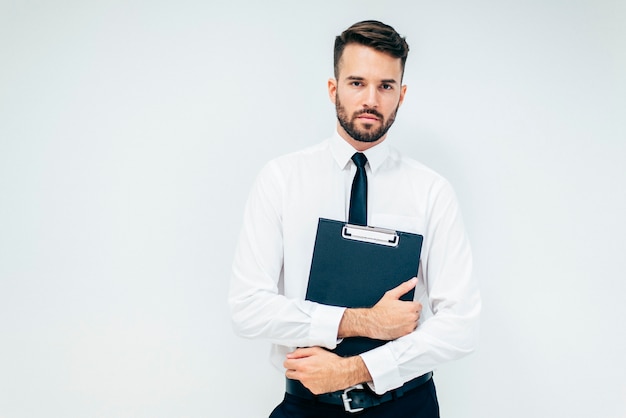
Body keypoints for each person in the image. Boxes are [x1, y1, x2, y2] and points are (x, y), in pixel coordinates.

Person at [229, 20, 481, 417]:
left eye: (385, 86)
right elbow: (247, 309)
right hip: (307, 406)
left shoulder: (431, 190)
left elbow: (461, 324)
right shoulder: (281, 179)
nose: (371, 99)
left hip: (405, 406)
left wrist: (355, 369)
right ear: (333, 89)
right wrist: (362, 322)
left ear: (401, 95)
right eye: (356, 83)